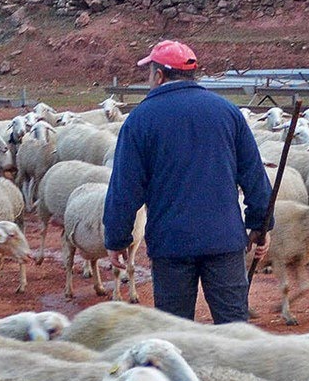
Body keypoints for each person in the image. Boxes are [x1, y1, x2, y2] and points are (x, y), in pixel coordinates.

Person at [102, 40, 273, 324]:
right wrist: (261, 225)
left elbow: (124, 188)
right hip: (225, 241)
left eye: (149, 73)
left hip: (172, 244)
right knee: (234, 329)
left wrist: (117, 238)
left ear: (159, 75)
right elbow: (254, 175)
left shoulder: (140, 120)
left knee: (175, 329)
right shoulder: (227, 112)